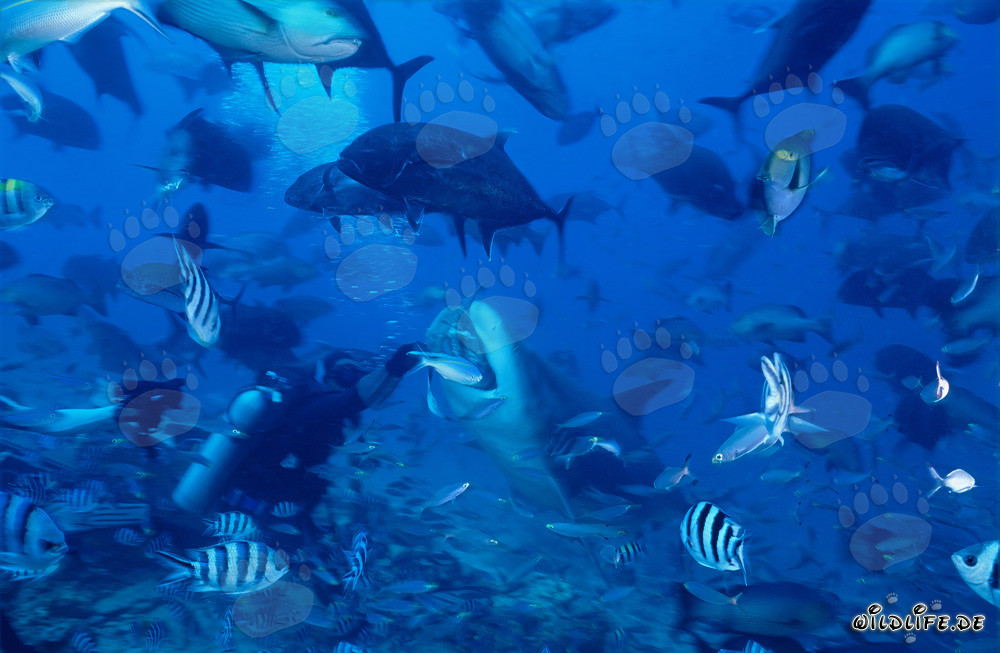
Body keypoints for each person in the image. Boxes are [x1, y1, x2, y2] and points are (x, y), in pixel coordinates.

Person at [172, 343, 422, 519]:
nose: (351, 380)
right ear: (327, 375)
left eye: (357, 375)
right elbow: (351, 401)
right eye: (346, 373)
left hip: (283, 507)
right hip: (255, 509)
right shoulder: (312, 406)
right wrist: (395, 367)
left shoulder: (334, 419)